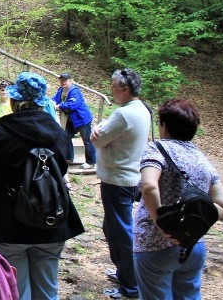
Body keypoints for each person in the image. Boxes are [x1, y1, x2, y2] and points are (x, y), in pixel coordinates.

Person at [0, 71, 84, 300]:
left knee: (16, 292)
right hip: (51, 219)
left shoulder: (0, 133)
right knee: (47, 291)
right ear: (41, 102)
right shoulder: (57, 132)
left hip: (9, 225)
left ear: (14, 101)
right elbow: (60, 170)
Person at [133, 98, 223, 299]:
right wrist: (192, 228)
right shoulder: (200, 157)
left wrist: (163, 225)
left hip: (154, 244)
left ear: (164, 126)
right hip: (193, 245)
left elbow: (150, 186)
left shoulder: (156, 149)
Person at [90, 68, 151, 299]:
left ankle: (131, 285)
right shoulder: (141, 109)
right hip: (129, 176)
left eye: (114, 86)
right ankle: (125, 272)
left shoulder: (123, 115)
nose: (112, 90)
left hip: (118, 180)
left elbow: (98, 140)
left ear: (125, 89)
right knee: (112, 227)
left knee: (121, 233)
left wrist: (98, 130)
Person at [53, 73, 96, 170]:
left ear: (70, 81)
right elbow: (54, 100)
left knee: (87, 140)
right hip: (70, 120)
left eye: (65, 80)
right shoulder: (60, 90)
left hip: (82, 119)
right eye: (61, 80)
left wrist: (59, 106)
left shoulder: (75, 91)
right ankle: (68, 157)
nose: (63, 82)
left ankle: (91, 162)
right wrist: (52, 103)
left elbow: (73, 105)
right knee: (65, 137)